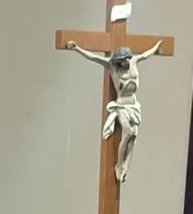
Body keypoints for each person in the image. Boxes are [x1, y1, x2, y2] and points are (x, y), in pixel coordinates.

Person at [65, 39, 162, 184]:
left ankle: (125, 167)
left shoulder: (133, 61)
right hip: (121, 105)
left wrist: (156, 47)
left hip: (133, 104)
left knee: (134, 136)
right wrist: (77, 48)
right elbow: (93, 57)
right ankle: (118, 164)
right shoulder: (112, 66)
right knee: (128, 132)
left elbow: (146, 55)